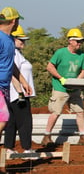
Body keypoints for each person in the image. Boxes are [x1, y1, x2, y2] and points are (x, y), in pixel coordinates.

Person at [41, 28, 84, 146]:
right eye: (78, 41)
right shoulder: (60, 53)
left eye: (81, 41)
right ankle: (46, 136)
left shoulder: (82, 55)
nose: (80, 43)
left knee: (80, 111)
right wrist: (61, 78)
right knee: (56, 111)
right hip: (60, 88)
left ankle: (82, 136)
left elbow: (83, 70)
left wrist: (77, 82)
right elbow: (50, 67)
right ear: (70, 41)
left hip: (75, 89)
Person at [4, 25, 39, 160]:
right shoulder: (13, 53)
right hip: (18, 94)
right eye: (21, 40)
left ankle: (8, 148)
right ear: (13, 39)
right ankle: (27, 149)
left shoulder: (15, 53)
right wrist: (20, 91)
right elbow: (11, 73)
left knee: (11, 121)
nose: (23, 42)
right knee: (25, 122)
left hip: (13, 94)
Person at [0, 7, 32, 145]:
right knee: (3, 119)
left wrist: (23, 81)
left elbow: (10, 63)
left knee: (3, 121)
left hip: (4, 86)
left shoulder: (9, 40)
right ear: (14, 21)